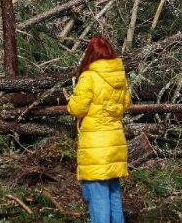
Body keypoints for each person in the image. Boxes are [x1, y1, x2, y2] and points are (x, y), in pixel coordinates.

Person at [66, 36, 131, 223]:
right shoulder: (120, 77)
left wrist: (70, 102)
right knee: (113, 194)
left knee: (98, 196)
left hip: (96, 146)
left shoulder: (89, 77)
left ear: (90, 55)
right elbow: (126, 103)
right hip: (115, 143)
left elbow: (77, 108)